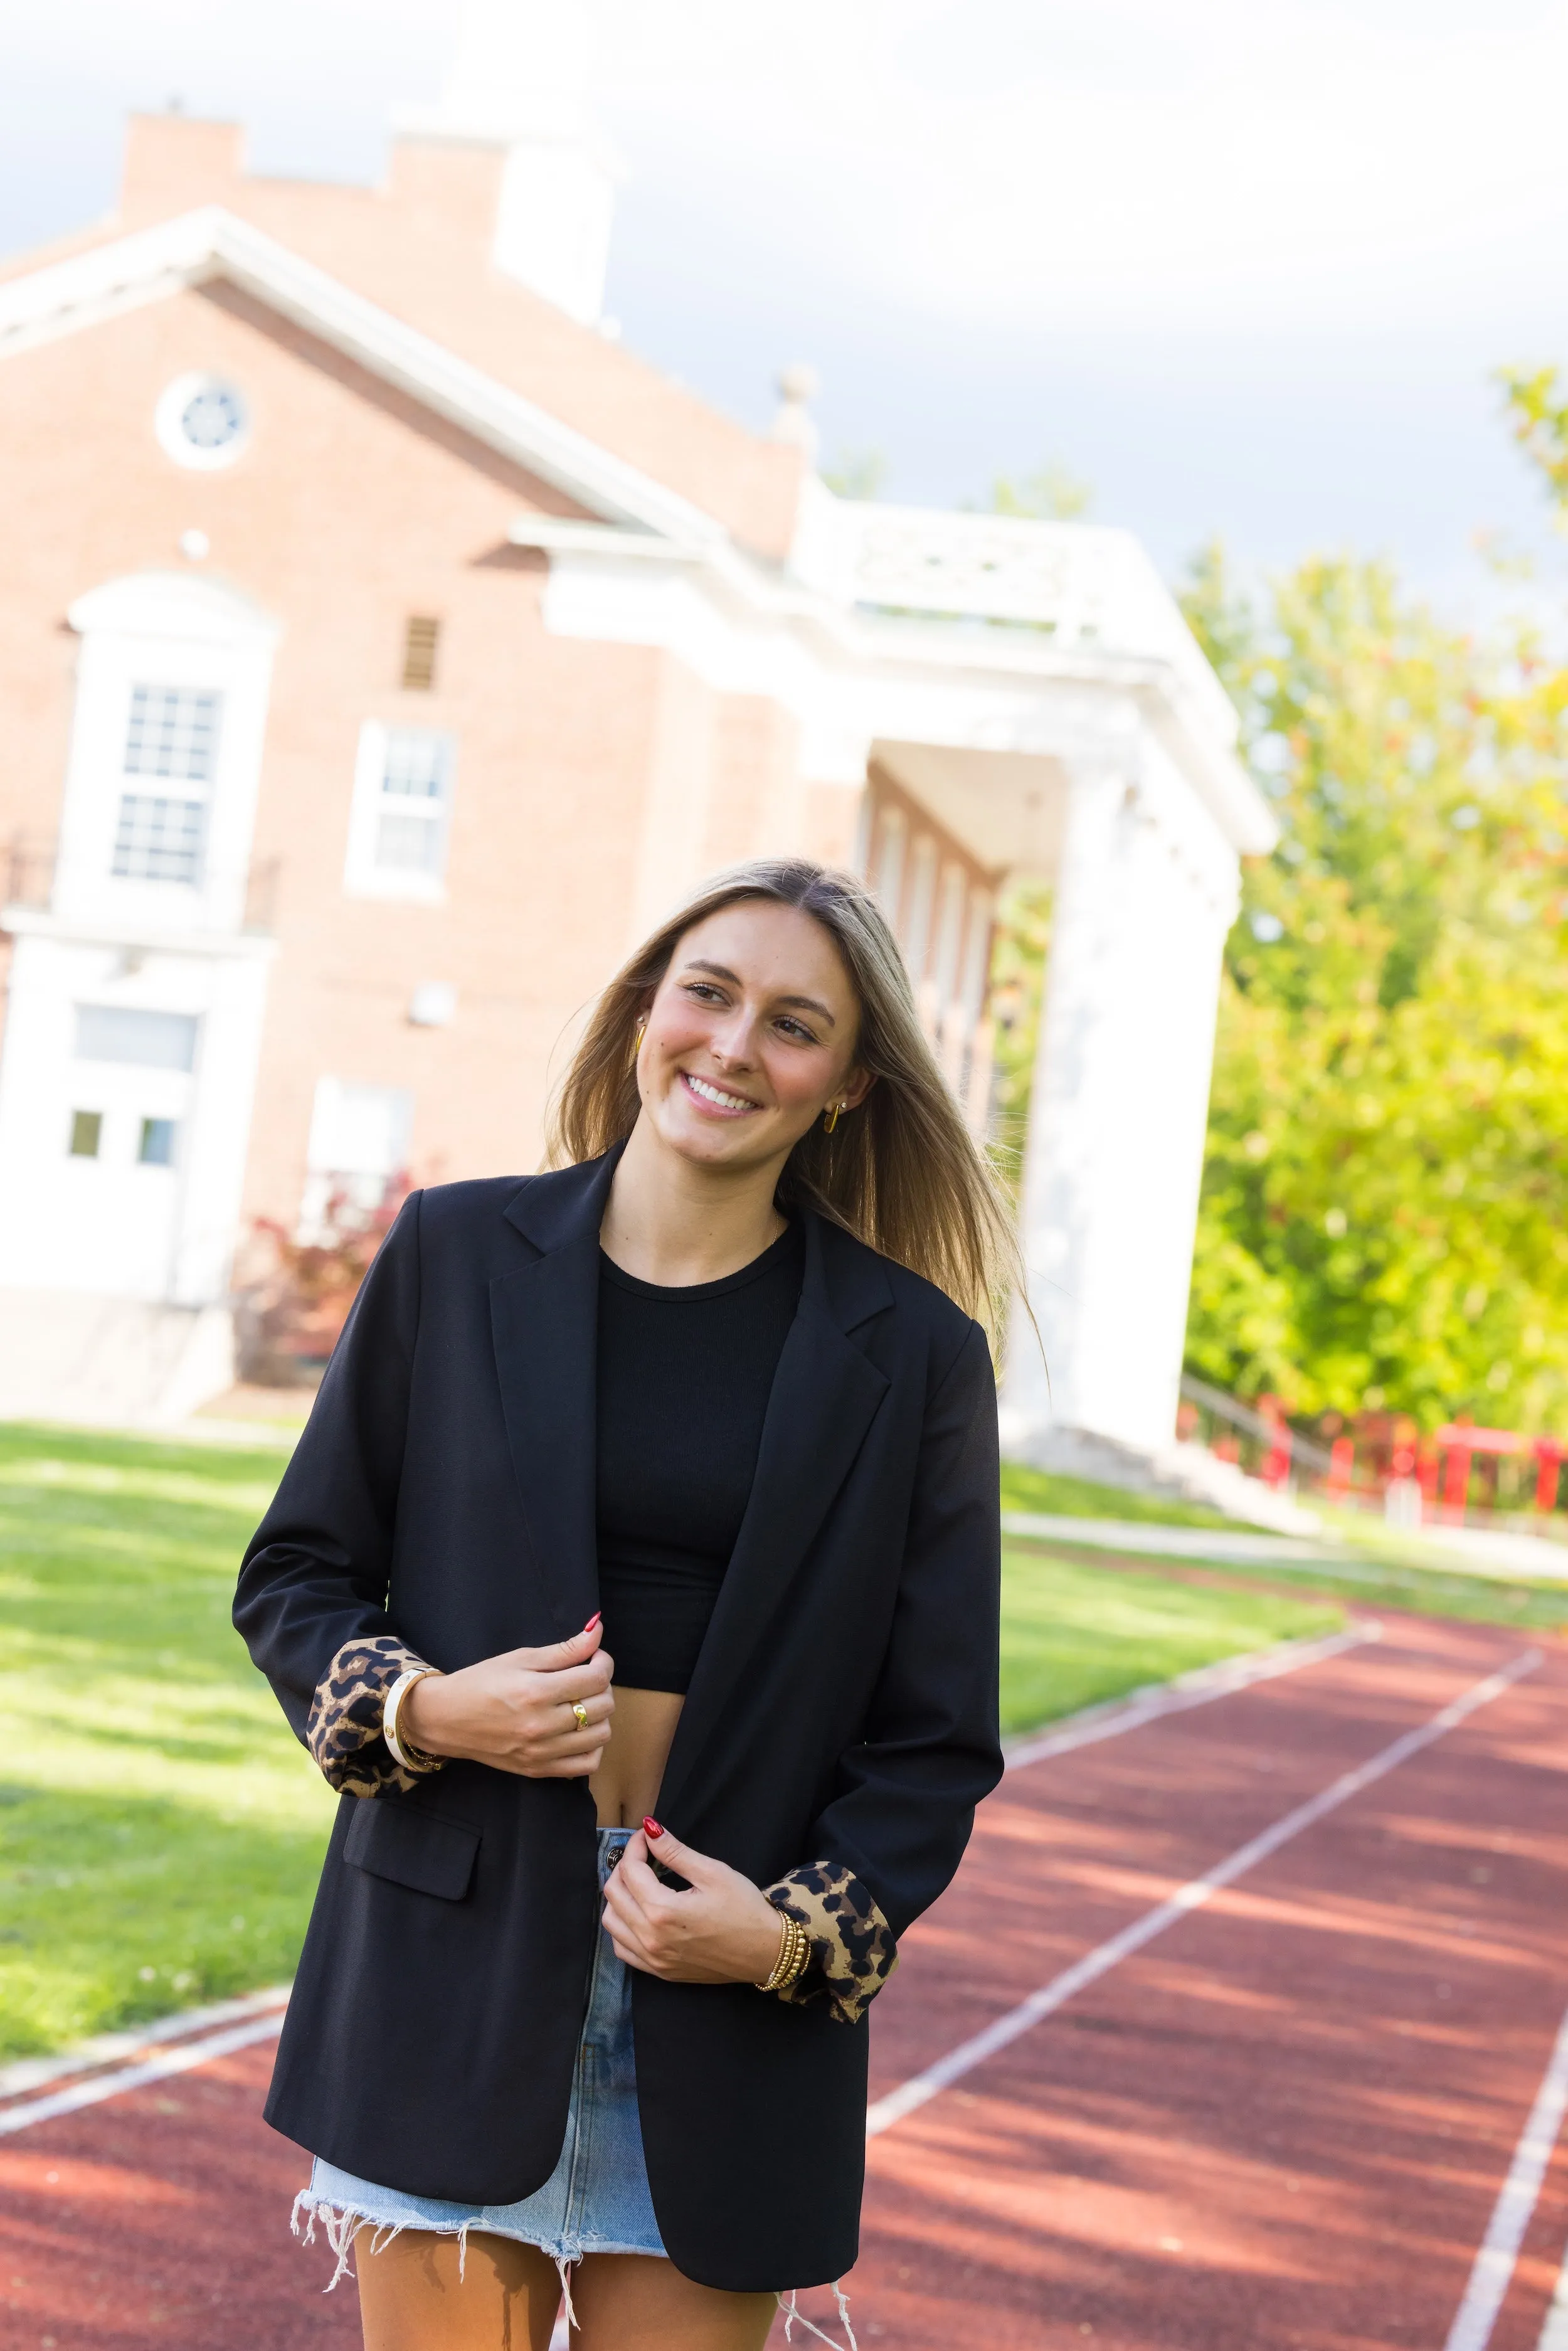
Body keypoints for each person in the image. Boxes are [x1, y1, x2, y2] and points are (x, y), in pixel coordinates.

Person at [234, 857, 1010, 2351]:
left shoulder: (914, 1355)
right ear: (648, 1007)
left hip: (723, 1992)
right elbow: (296, 1572)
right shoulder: (454, 1253)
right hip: (452, 1957)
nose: (730, 1045)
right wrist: (424, 1704)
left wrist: (781, 1938)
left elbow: (932, 1740)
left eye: (793, 1023)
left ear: (846, 1081)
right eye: (706, 993)